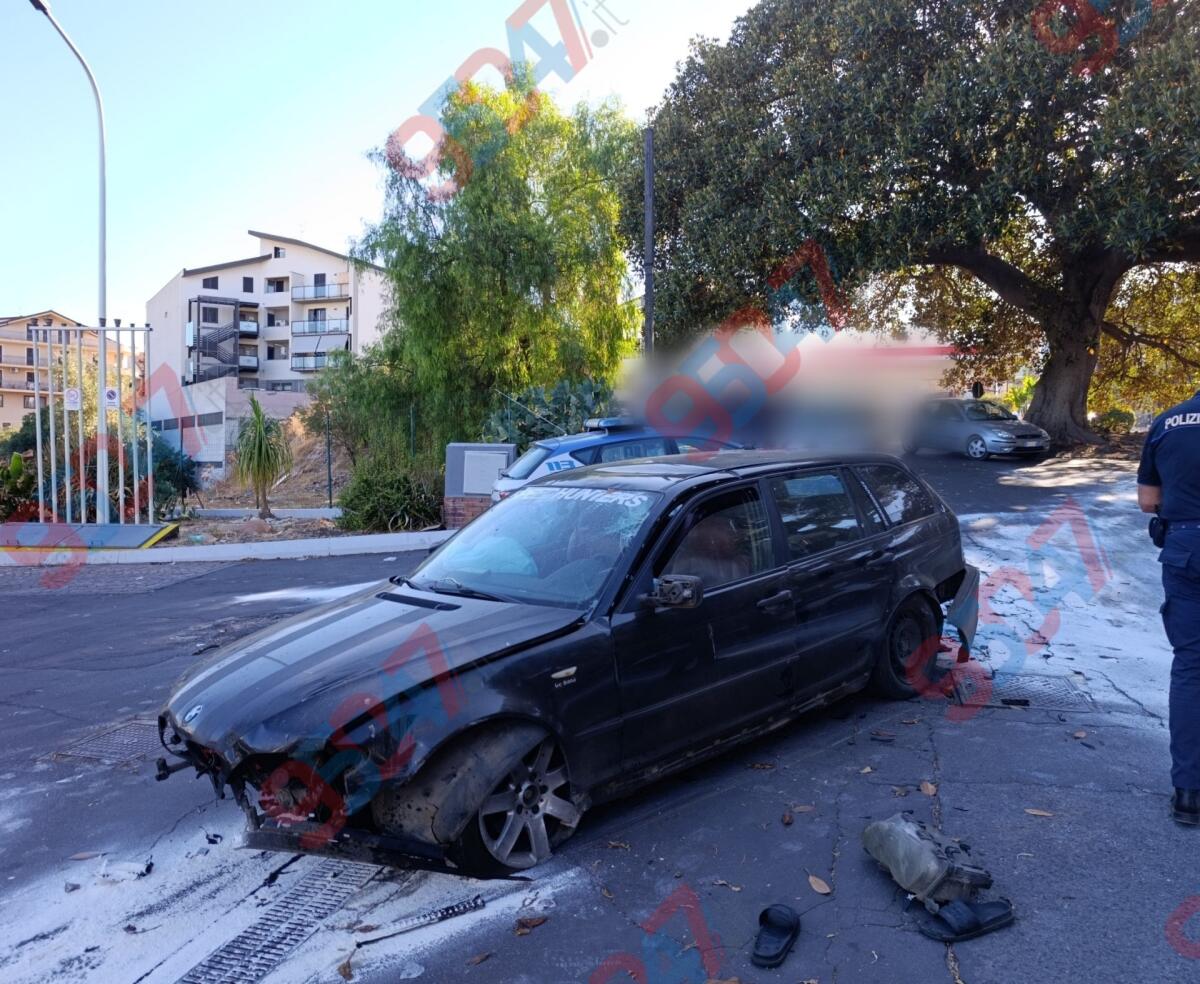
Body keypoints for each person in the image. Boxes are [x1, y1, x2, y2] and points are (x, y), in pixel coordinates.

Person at [1138, 389, 1200, 827]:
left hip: (1185, 549)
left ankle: (1188, 795)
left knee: (1191, 669)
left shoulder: (1168, 423)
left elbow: (1148, 500)